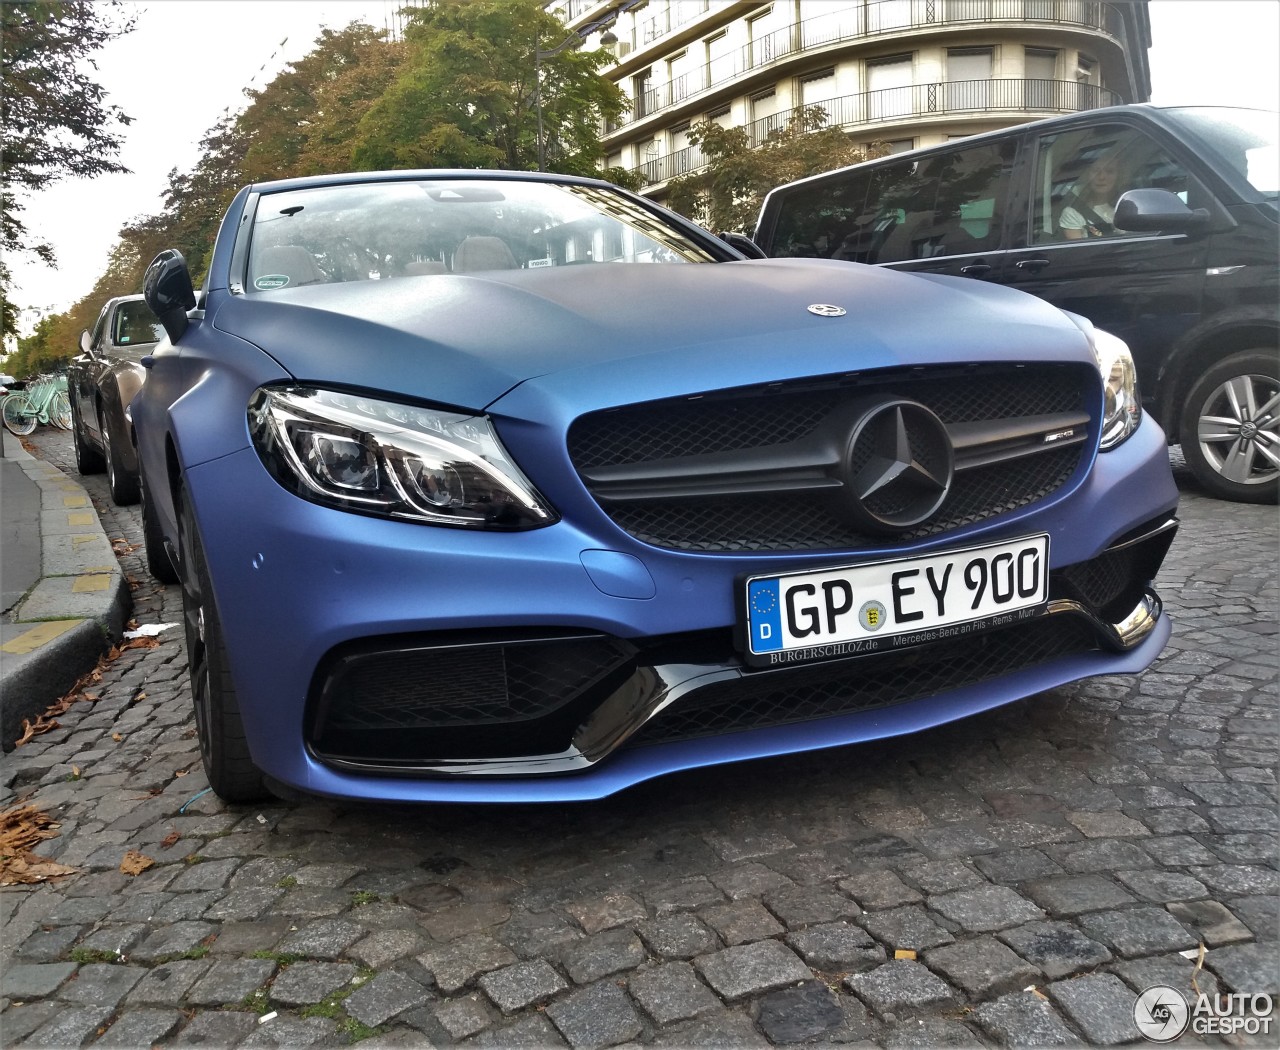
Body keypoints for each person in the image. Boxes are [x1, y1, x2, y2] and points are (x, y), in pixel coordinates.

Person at [1059, 153, 1126, 239]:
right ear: (1087, 176)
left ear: (1119, 176)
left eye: (1109, 171)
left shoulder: (1128, 205)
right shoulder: (1072, 213)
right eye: (1095, 171)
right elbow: (1078, 251)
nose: (1102, 177)